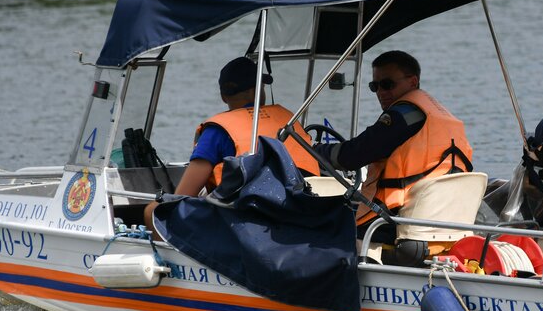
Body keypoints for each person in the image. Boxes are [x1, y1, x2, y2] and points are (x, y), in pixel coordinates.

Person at [145, 57, 318, 229]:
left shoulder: (217, 131)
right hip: (302, 211)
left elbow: (183, 194)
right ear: (258, 90)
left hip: (247, 220)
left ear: (223, 97)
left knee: (152, 210)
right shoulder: (289, 119)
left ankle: (168, 256)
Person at [319, 50, 472, 233]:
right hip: (447, 219)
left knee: (319, 220)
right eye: (374, 86)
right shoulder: (442, 116)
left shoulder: (403, 117)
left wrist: (314, 151)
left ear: (413, 82)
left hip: (391, 221)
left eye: (387, 84)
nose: (381, 92)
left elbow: (352, 156)